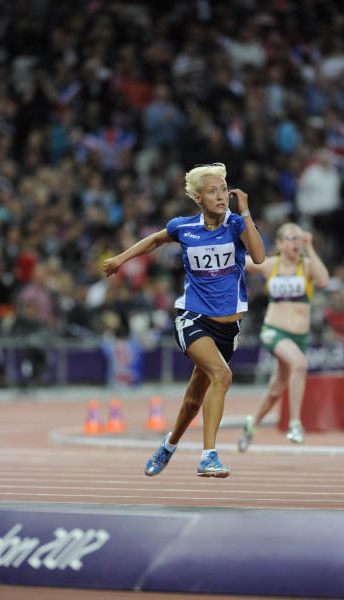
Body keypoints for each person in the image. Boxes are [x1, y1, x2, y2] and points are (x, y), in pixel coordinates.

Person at [103, 162, 265, 477]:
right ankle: (208, 456)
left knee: (193, 399)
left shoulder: (236, 225)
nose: (220, 197)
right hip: (192, 316)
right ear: (198, 198)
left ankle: (169, 445)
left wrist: (245, 211)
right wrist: (121, 259)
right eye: (211, 192)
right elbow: (154, 240)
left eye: (223, 190)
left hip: (228, 328)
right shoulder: (184, 227)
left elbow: (259, 257)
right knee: (222, 375)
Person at [237, 222, 329, 450]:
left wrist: (310, 248)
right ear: (279, 243)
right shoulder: (271, 265)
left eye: (299, 238)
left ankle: (251, 424)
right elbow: (241, 261)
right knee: (299, 364)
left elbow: (324, 280)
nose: (296, 242)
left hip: (299, 337)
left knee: (276, 388)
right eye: (290, 237)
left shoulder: (306, 266)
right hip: (273, 331)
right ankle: (295, 424)